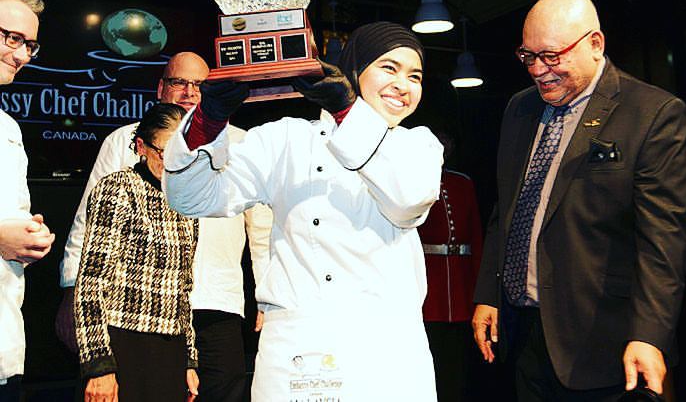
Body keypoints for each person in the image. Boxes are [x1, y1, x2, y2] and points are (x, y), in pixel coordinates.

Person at [163, 22, 443, 401]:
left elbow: (406, 200)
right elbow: (192, 198)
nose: (404, 85)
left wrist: (347, 111)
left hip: (386, 351)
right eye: (389, 68)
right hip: (296, 350)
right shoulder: (285, 139)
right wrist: (207, 121)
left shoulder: (418, 147)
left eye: (415, 76)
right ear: (355, 70)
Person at [472, 0, 686, 401]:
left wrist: (649, 335)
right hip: (524, 338)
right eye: (528, 56)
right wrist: (489, 293)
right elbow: (507, 209)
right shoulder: (519, 109)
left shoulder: (652, 113)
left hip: (607, 344)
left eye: (552, 57)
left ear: (596, 44)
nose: (539, 70)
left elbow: (664, 241)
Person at [57, 52, 271, 401]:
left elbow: (263, 231)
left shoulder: (243, 144)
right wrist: (70, 291)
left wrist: (267, 294)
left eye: (201, 85)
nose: (189, 92)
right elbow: (86, 225)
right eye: (179, 82)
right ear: (161, 88)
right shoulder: (123, 140)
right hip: (129, 313)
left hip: (217, 302)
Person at [75, 103, 198, 401]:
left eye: (185, 155)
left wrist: (189, 360)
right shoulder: (117, 188)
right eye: (166, 153)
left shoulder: (185, 198)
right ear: (141, 146)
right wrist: (98, 366)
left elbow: (184, 287)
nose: (175, 164)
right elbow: (91, 281)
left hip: (170, 350)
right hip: (123, 345)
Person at [0, 0, 55, 402]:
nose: (21, 55)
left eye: (29, 45)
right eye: (11, 38)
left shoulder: (9, 128)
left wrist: (29, 237)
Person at [418, 131, 484, 402]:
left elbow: (475, 236)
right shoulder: (413, 183)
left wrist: (478, 289)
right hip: (428, 288)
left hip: (460, 287)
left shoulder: (461, 183)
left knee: (458, 366)